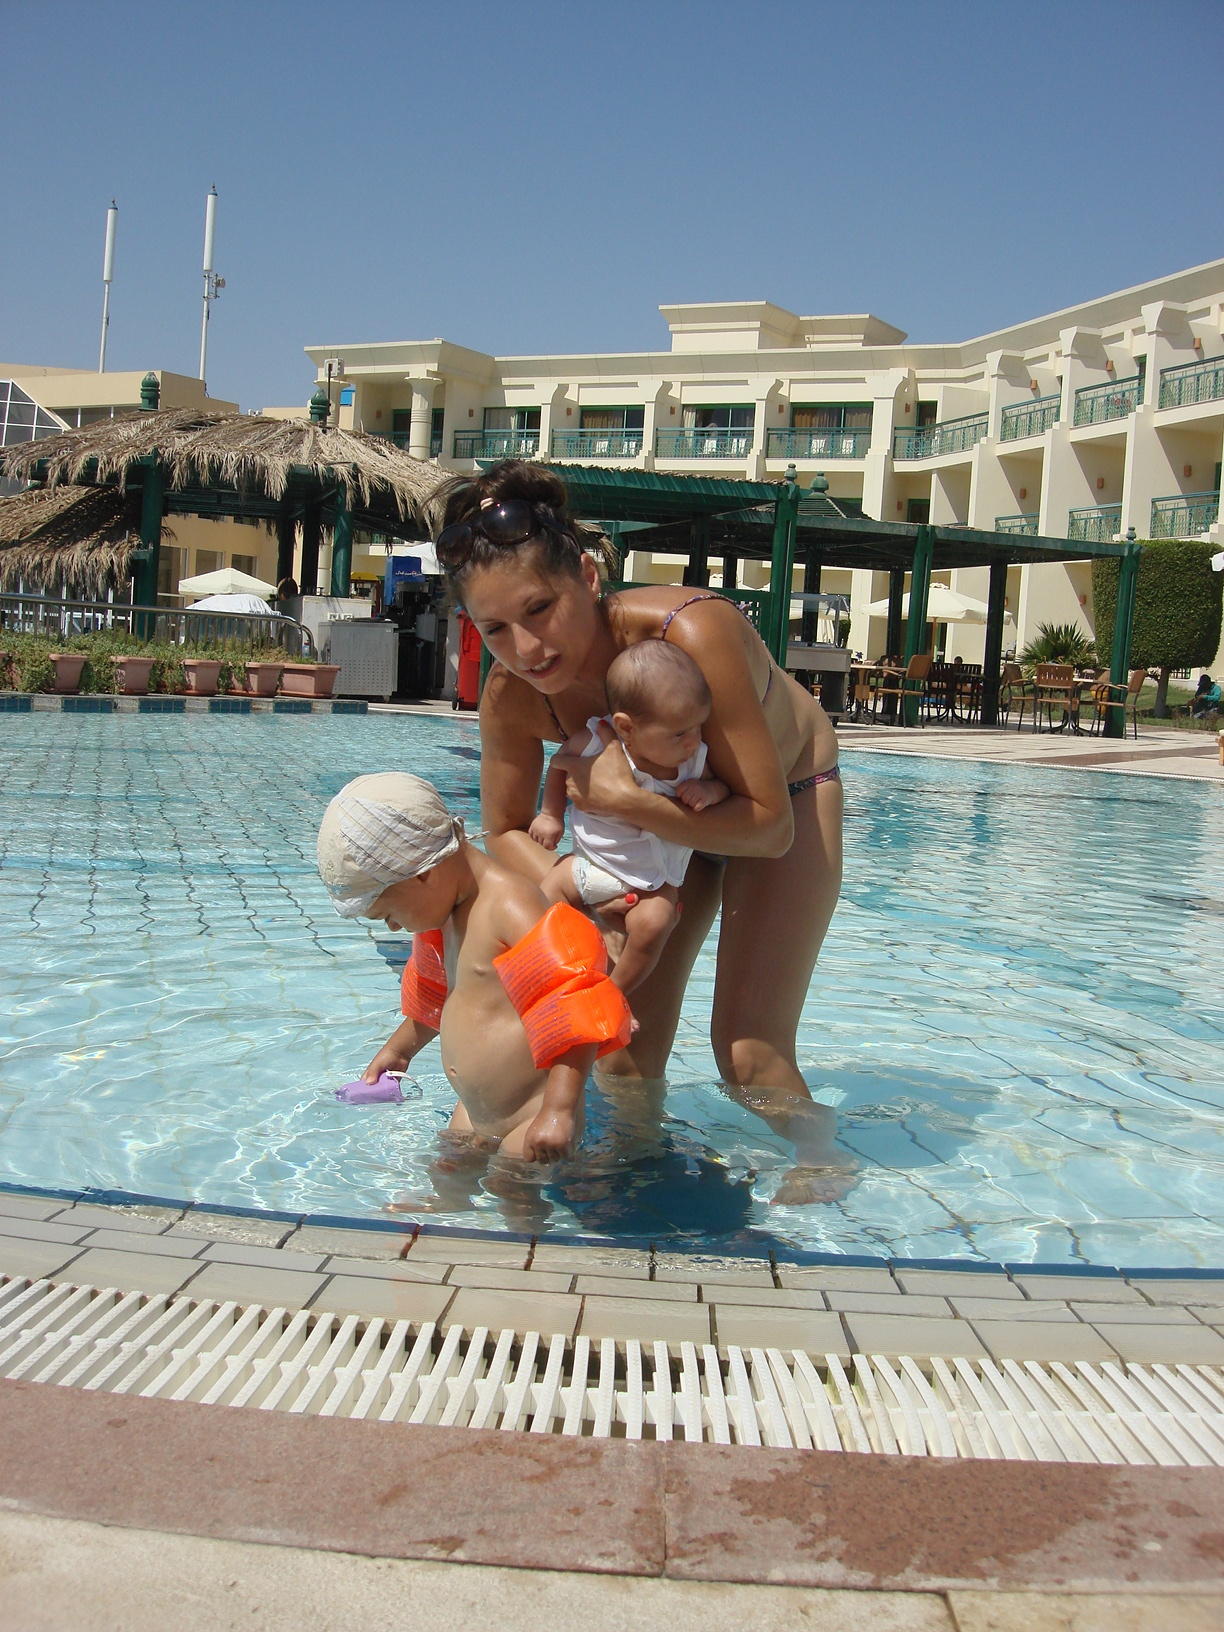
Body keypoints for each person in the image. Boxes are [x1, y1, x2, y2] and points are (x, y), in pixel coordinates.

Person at [434, 460, 853, 1204]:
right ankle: (635, 1165)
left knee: (747, 1053)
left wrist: (625, 804)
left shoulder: (691, 633)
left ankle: (823, 1157)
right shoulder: (511, 695)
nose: (526, 648)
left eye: (540, 609)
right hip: (660, 847)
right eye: (494, 629)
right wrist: (589, 884)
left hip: (779, 800)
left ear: (588, 577)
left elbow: (768, 829)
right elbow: (504, 831)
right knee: (621, 1049)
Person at [317, 771, 630, 1173]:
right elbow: (436, 996)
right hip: (475, 1109)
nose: (393, 927)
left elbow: (575, 1001)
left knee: (512, 1189)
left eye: (388, 913)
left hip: (532, 1111)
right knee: (447, 1171)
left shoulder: (509, 907)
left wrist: (559, 1110)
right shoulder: (444, 914)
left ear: (423, 872)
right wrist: (399, 1051)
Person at [530, 640, 730, 993]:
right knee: (542, 902)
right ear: (626, 728)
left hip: (653, 884)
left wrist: (709, 791)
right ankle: (540, 975)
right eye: (680, 733)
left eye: (698, 727)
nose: (693, 741)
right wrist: (550, 814)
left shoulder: (694, 762)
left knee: (657, 923)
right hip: (587, 865)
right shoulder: (596, 741)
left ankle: (613, 992)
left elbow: (722, 786)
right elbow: (561, 764)